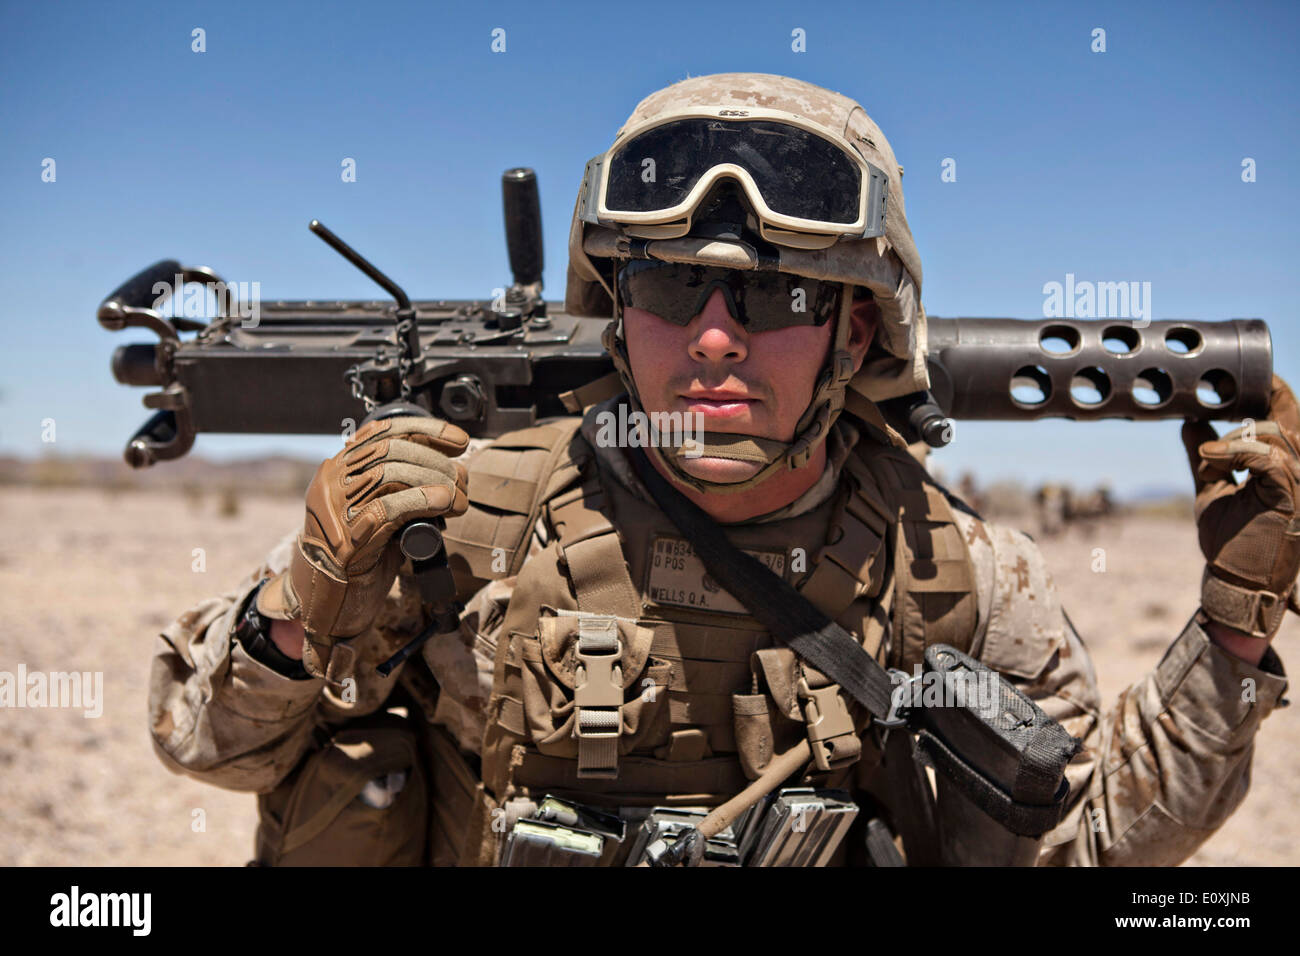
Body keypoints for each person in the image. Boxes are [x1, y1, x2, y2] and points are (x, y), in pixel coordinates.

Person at [148, 72, 1296, 867]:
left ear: (853, 335)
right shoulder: (460, 521)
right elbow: (202, 741)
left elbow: (1079, 849)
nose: (710, 335)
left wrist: (1235, 629)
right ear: (615, 312)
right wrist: (302, 610)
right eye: (665, 287)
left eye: (772, 292)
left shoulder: (948, 571)